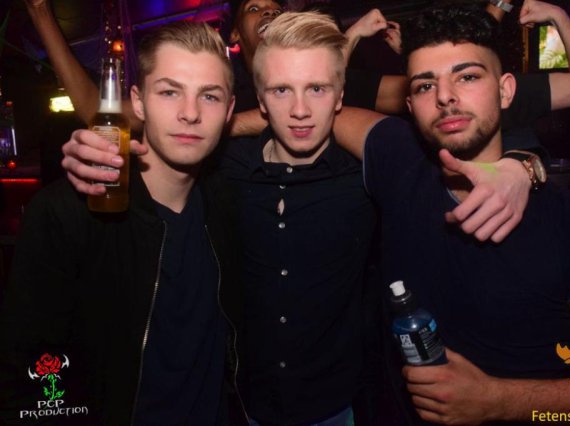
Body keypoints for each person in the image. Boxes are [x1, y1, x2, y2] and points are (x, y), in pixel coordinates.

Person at [56, 10, 537, 425]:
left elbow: (457, 146)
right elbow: (162, 145)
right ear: (260, 100)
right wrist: (98, 152)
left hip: (339, 407)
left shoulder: (369, 175)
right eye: (282, 90)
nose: (301, 110)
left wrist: (524, 163)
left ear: (340, 95)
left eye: (318, 89)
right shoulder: (221, 171)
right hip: (239, 405)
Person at [332, 4, 570, 424]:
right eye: (425, 85)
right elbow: (310, 108)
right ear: (410, 104)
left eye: (468, 76)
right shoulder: (397, 159)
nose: (445, 96)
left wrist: (498, 400)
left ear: (506, 90)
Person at [0, 22, 242, 425]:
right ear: (138, 103)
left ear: (229, 111)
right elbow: (27, 374)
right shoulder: (68, 213)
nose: (190, 113)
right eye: (169, 92)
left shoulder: (230, 202)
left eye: (210, 96)